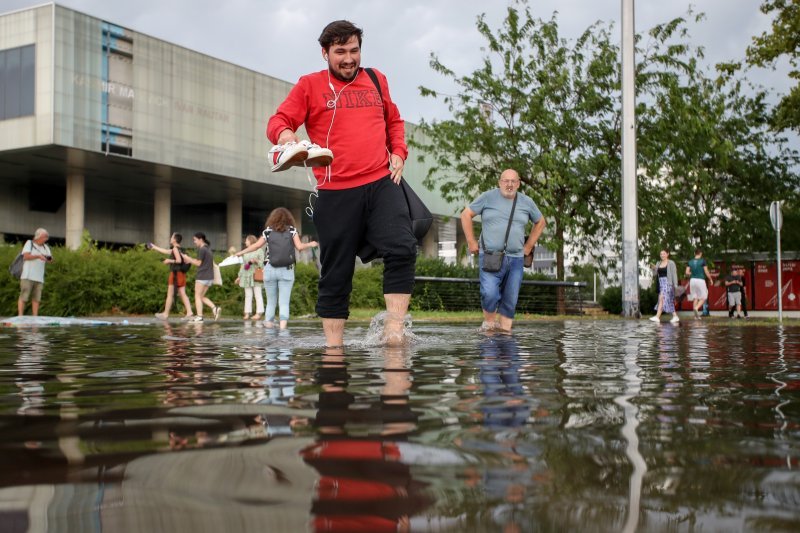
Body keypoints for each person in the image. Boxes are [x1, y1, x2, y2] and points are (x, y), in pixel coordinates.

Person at [266, 20, 417, 347]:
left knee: (402, 248)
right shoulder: (310, 85)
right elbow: (279, 120)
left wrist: (400, 153)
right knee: (336, 271)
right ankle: (334, 350)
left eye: (354, 50)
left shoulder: (377, 80)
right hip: (335, 191)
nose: (349, 59)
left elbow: (394, 121)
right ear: (325, 53)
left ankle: (394, 334)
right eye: (340, 52)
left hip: (381, 180)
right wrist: (288, 137)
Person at [460, 169, 546, 332]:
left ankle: (505, 337)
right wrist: (471, 241)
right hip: (490, 256)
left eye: (513, 181)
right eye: (506, 181)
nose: (509, 184)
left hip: (515, 259)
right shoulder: (487, 197)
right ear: (499, 182)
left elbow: (541, 222)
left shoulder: (527, 202)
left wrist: (528, 247)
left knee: (510, 299)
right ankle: (490, 328)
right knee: (489, 293)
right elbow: (466, 215)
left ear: (519, 184)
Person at [236, 208, 318, 329]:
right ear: (289, 219)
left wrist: (241, 252)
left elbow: (256, 246)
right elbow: (299, 247)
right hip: (286, 270)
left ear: (272, 218)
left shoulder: (268, 231)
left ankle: (269, 327)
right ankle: (282, 328)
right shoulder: (292, 231)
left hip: (269, 269)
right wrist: (311, 244)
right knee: (284, 302)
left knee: (271, 301)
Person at [148, 233, 194, 321]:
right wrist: (154, 247)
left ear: (174, 240)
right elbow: (166, 251)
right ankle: (189, 312)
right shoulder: (180, 249)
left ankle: (166, 314)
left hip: (175, 274)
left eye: (172, 237)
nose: (170, 238)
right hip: (181, 274)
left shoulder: (175, 249)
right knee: (182, 293)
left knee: (171, 294)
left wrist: (169, 260)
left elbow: (179, 260)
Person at [182, 232, 221, 322]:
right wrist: (190, 260)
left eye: (195, 240)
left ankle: (199, 316)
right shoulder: (208, 249)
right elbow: (201, 261)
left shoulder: (202, 249)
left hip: (202, 276)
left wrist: (188, 259)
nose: (194, 242)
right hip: (209, 277)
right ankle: (214, 308)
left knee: (197, 296)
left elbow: (198, 263)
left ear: (200, 239)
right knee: (201, 296)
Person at [17, 228, 53, 316]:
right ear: (39, 237)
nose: (46, 239)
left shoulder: (46, 247)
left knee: (36, 298)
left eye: (46, 237)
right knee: (24, 296)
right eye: (44, 237)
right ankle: (20, 315)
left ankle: (35, 317)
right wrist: (38, 256)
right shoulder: (29, 243)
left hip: (39, 277)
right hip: (27, 276)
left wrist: (49, 259)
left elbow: (50, 259)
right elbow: (25, 256)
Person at [235, 234, 265, 321]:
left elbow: (263, 264)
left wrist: (255, 261)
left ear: (251, 241)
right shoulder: (246, 251)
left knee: (258, 294)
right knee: (248, 295)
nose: (245, 242)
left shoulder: (259, 250)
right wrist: (239, 276)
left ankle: (259, 313)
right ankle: (247, 313)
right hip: (246, 276)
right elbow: (243, 265)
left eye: (246, 240)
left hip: (256, 275)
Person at [649, 249, 680, 323]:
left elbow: (674, 274)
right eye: (661, 254)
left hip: (668, 283)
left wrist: (675, 285)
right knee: (665, 300)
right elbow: (655, 274)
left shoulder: (671, 263)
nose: (662, 255)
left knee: (662, 298)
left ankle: (657, 317)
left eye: (663, 254)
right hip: (661, 283)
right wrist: (653, 269)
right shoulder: (658, 263)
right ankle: (675, 316)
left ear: (667, 254)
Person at [685, 248, 714, 319]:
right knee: (704, 296)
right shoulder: (702, 261)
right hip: (700, 280)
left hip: (692, 280)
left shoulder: (690, 262)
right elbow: (706, 272)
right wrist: (710, 279)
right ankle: (697, 307)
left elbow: (686, 273)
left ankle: (696, 316)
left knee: (695, 297)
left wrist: (692, 273)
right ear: (701, 253)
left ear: (694, 253)